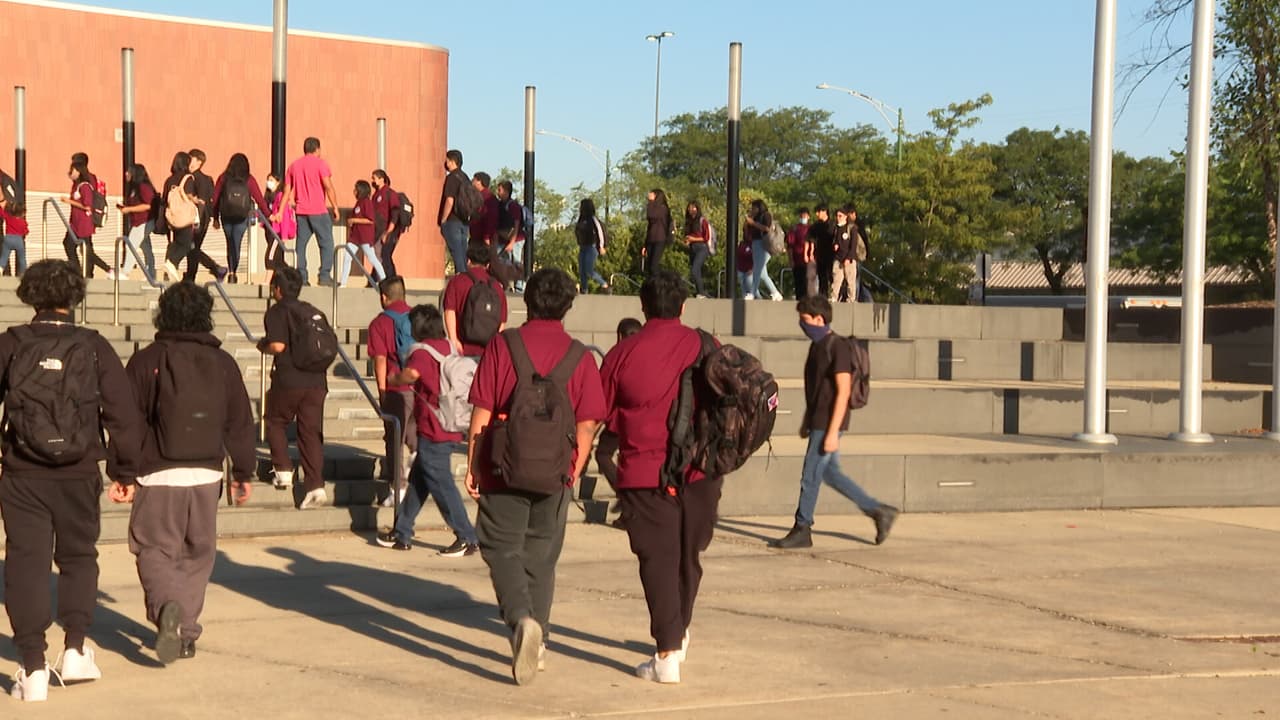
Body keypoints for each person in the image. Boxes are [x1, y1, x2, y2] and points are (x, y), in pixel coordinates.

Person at [0, 260, 143, 702]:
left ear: (30, 296)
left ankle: (33, 665)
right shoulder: (94, 346)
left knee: (26, 561)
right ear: (74, 298)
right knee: (79, 556)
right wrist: (124, 471)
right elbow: (123, 414)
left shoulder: (11, 343)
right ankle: (76, 649)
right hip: (79, 470)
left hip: (22, 471)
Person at [465, 267, 606, 686]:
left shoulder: (503, 346)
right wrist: (573, 470)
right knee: (542, 556)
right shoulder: (580, 356)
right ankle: (539, 642)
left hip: (503, 466)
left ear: (528, 302)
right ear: (567, 306)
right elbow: (588, 422)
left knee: (498, 545)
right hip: (556, 472)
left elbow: (482, 411)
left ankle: (520, 618)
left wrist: (473, 463)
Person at [120, 281, 255, 664]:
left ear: (162, 314)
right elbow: (240, 422)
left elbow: (129, 423)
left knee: (153, 547)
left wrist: (123, 472)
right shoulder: (224, 363)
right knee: (198, 553)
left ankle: (166, 610)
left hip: (158, 472)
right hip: (207, 472)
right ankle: (186, 632)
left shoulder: (147, 360)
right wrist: (242, 471)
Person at [600, 269, 723, 685]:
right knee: (688, 555)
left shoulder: (622, 354)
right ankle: (679, 631)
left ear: (643, 306)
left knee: (658, 559)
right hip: (700, 468)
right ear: (684, 306)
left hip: (644, 471)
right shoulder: (706, 345)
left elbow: (602, 412)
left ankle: (667, 651)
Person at [770, 295, 898, 549]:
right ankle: (878, 511)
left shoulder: (836, 346)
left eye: (804, 320)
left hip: (829, 422)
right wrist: (808, 421)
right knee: (829, 473)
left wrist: (831, 432)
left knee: (810, 475)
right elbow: (817, 391)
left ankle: (803, 527)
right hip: (819, 420)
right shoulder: (817, 346)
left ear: (819, 319)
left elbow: (842, 390)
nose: (802, 325)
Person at [377, 304, 480, 556]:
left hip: (434, 427)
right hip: (448, 422)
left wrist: (392, 379)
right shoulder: (446, 347)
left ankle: (466, 535)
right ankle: (402, 531)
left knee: (441, 484)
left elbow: (411, 374)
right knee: (419, 481)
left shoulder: (421, 353)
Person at [259, 266, 329, 509]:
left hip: (289, 379)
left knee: (275, 420)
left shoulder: (277, 312)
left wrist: (263, 346)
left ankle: (283, 469)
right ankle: (316, 485)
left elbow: (277, 345)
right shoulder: (312, 311)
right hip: (317, 381)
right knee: (310, 432)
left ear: (277, 289)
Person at [367, 276, 415, 498]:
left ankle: (399, 487)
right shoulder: (418, 317)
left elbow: (380, 360)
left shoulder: (380, 323)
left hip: (396, 388)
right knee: (416, 435)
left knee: (394, 437)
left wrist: (382, 391)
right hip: (420, 387)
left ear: (384, 297)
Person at [595, 317, 641, 528]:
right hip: (644, 420)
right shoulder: (648, 353)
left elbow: (603, 391)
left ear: (620, 336)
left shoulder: (616, 355)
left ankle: (625, 499)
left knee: (603, 455)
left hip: (618, 420)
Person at [277, 137, 340, 286]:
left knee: (301, 245)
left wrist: (280, 211)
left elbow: (286, 191)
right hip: (318, 210)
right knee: (326, 243)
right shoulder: (321, 164)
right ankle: (324, 275)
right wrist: (335, 206)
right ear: (317, 149)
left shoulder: (294, 166)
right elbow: (328, 186)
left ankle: (302, 277)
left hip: (301, 211)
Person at [210, 153, 270, 284]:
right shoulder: (249, 179)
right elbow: (259, 199)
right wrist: (269, 215)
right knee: (236, 244)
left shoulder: (223, 178)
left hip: (225, 216)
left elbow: (215, 199)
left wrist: (214, 217)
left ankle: (231, 272)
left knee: (229, 243)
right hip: (242, 217)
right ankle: (233, 272)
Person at [442, 242, 508, 357]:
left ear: (468, 261)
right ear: (487, 265)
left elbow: (449, 312)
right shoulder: (497, 287)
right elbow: (501, 322)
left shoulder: (457, 282)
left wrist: (454, 340)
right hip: (487, 351)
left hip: (462, 347)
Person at [182, 149, 228, 283]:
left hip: (198, 218)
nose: (188, 162)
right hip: (205, 218)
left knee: (191, 247)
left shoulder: (195, 178)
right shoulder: (208, 179)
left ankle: (215, 268)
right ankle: (191, 276)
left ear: (198, 162)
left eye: (191, 159)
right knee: (192, 248)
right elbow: (213, 200)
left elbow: (202, 201)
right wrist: (214, 217)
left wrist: (197, 221)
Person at [61, 159, 111, 278]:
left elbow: (87, 205)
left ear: (78, 171)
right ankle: (77, 270)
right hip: (75, 223)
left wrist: (69, 201)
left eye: (72, 170)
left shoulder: (85, 186)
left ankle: (108, 269)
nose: (70, 173)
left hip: (83, 224)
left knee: (87, 251)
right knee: (69, 244)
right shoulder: (76, 185)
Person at [160, 152, 199, 282]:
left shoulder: (169, 180)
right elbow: (188, 195)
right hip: (185, 218)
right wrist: (196, 200)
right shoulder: (188, 178)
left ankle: (169, 270)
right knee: (187, 244)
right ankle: (172, 263)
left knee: (174, 244)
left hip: (172, 217)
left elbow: (165, 199)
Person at [339, 180, 385, 286]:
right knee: (347, 257)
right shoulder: (358, 203)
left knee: (372, 258)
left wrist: (354, 220)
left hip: (365, 236)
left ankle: (383, 279)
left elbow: (370, 220)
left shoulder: (366, 202)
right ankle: (343, 282)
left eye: (356, 189)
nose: (354, 191)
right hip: (355, 236)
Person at [116, 164, 157, 281]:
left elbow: (148, 205)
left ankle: (126, 271)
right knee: (146, 247)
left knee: (131, 245)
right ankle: (151, 274)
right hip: (138, 221)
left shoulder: (143, 187)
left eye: (128, 172)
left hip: (145, 221)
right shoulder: (133, 188)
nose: (126, 174)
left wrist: (129, 209)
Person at [438, 149, 471, 274]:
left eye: (447, 160)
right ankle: (466, 277)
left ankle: (461, 278)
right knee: (463, 252)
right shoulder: (465, 178)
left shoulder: (451, 178)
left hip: (453, 220)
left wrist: (443, 219)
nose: (445, 163)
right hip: (464, 220)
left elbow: (450, 200)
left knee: (456, 252)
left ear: (452, 162)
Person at [744, 199, 782, 301]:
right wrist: (749, 221)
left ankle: (752, 293)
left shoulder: (766, 215)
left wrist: (753, 223)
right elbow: (747, 232)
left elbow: (767, 228)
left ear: (759, 207)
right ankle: (775, 292)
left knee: (757, 269)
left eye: (754, 207)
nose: (753, 209)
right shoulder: (754, 217)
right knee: (762, 273)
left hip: (764, 244)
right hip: (755, 243)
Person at [493, 180, 526, 293]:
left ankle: (519, 286)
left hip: (516, 239)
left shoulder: (513, 206)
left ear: (506, 191)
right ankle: (505, 283)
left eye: (500, 190)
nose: (498, 192)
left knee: (516, 261)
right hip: (503, 238)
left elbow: (516, 223)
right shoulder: (500, 205)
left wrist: (512, 241)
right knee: (502, 261)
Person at [370, 169, 402, 278]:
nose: (372, 181)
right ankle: (374, 280)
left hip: (388, 230)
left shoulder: (389, 193)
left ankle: (391, 280)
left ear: (381, 179)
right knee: (378, 256)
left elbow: (395, 213)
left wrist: (388, 232)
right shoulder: (376, 195)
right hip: (378, 231)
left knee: (385, 255)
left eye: (374, 178)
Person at [573, 198, 609, 294]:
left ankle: (604, 284)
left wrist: (602, 246)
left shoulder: (593, 219)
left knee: (589, 270)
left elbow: (600, 232)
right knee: (581, 270)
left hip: (592, 247)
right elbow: (577, 231)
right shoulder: (581, 220)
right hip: (583, 246)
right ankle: (584, 289)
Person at [264, 173, 295, 274]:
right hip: (269, 230)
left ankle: (267, 281)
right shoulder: (268, 197)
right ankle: (288, 275)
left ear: (278, 183)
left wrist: (284, 235)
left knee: (270, 256)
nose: (269, 182)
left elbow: (284, 216)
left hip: (277, 232)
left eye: (272, 180)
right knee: (278, 259)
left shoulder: (280, 197)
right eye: (268, 180)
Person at [830, 206, 860, 304]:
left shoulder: (852, 228)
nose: (838, 218)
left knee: (850, 281)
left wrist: (849, 258)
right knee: (836, 280)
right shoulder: (836, 228)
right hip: (838, 258)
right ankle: (834, 297)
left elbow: (853, 245)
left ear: (845, 216)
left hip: (849, 259)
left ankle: (851, 299)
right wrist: (835, 245)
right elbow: (834, 241)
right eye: (837, 216)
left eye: (840, 216)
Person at [683, 201, 711, 298]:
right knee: (695, 271)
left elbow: (706, 237)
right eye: (689, 207)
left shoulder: (702, 221)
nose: (691, 209)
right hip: (692, 247)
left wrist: (693, 239)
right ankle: (700, 292)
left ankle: (701, 292)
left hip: (702, 248)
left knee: (695, 269)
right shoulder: (688, 222)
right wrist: (687, 241)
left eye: (693, 207)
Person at [786, 208, 816, 300]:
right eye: (802, 216)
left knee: (809, 282)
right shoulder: (794, 229)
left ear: (809, 217)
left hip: (809, 260)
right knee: (799, 283)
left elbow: (814, 243)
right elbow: (790, 245)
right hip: (797, 259)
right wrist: (791, 260)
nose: (803, 217)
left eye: (805, 216)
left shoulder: (812, 228)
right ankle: (800, 301)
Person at [643, 189, 672, 277]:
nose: (649, 194)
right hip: (651, 239)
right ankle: (652, 286)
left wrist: (650, 203)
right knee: (649, 266)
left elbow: (651, 215)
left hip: (660, 239)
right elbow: (649, 225)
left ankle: (658, 285)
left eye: (651, 193)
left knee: (654, 265)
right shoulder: (651, 207)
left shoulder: (663, 208)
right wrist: (645, 244)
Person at [808, 205, 835, 299]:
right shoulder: (816, 225)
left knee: (833, 276)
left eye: (819, 212)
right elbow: (810, 238)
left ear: (825, 212)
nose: (817, 214)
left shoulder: (832, 224)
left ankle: (836, 296)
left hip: (832, 255)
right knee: (822, 277)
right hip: (820, 254)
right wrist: (811, 252)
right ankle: (823, 297)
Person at [469, 171, 499, 245]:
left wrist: (487, 236)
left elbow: (491, 217)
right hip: (476, 236)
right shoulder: (477, 196)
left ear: (480, 182)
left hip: (484, 238)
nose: (472, 181)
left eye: (474, 179)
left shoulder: (488, 198)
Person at [0, 199, 28, 277]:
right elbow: (26, 231)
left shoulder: (9, 218)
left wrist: (1, 206)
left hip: (8, 238)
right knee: (22, 258)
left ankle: (0, 268)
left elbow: (2, 214)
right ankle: (23, 273)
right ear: (23, 213)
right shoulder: (23, 222)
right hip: (18, 240)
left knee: (4, 256)